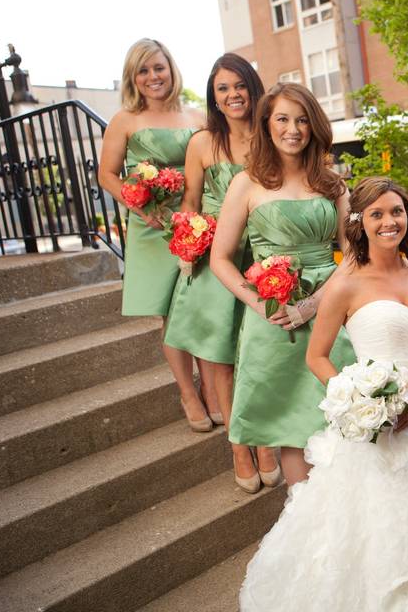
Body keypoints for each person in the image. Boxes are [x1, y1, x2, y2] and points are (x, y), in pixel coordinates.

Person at [239, 176, 408, 611]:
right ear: (360, 223)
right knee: (386, 530)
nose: (389, 221)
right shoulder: (345, 284)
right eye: (377, 214)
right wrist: (360, 401)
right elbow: (317, 356)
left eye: (396, 211)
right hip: (384, 428)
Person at [210, 82, 354, 487]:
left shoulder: (333, 184)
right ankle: (302, 519)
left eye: (303, 119)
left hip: (333, 310)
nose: (294, 129)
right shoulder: (246, 184)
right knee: (291, 421)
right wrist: (259, 306)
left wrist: (314, 305)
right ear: (267, 125)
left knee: (340, 413)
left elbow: (354, 255)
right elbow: (220, 259)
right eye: (283, 119)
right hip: (273, 318)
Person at [162, 53, 271, 490]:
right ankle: (238, 447)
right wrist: (187, 244)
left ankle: (264, 438)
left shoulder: (270, 137)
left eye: (239, 85)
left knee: (258, 354)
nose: (232, 95)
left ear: (252, 88)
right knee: (221, 359)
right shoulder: (202, 143)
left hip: (263, 254)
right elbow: (190, 203)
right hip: (215, 258)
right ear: (214, 97)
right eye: (222, 89)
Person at [97, 38, 213, 431]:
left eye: (158, 68)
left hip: (197, 222)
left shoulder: (198, 117)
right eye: (143, 70)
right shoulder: (125, 120)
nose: (152, 77)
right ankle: (187, 393)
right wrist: (140, 207)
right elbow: (107, 175)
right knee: (171, 312)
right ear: (133, 77)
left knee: (198, 305)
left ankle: (214, 389)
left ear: (171, 69)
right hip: (154, 225)